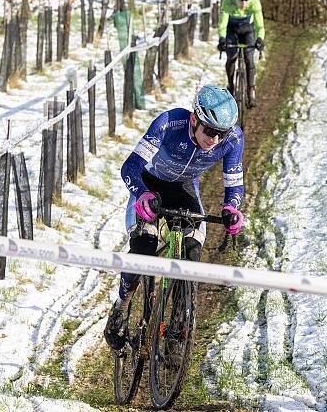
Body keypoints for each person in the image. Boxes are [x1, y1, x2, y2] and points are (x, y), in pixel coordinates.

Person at [104, 85, 245, 350]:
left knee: (192, 250)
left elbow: (234, 185)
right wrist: (143, 194)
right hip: (149, 184)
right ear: (194, 120)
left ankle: (178, 328)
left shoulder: (233, 139)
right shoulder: (170, 123)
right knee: (143, 248)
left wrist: (232, 208)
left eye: (221, 133)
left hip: (183, 189)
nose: (214, 140)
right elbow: (130, 167)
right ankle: (122, 305)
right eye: (209, 131)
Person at [217, 0, 265, 108]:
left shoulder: (255, 3)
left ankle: (251, 92)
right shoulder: (228, 2)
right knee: (231, 57)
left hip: (248, 30)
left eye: (246, 0)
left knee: (249, 59)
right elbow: (222, 24)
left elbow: (260, 25)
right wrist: (222, 39)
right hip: (231, 30)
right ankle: (231, 85)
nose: (244, 3)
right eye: (241, 0)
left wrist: (260, 39)